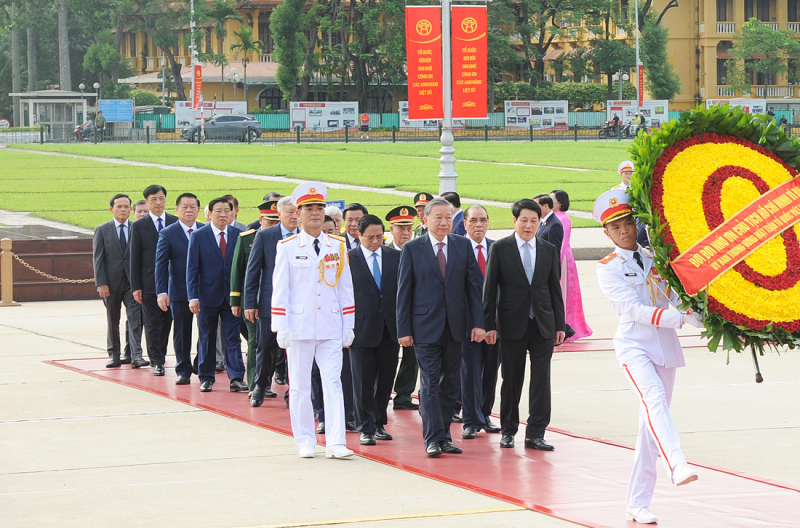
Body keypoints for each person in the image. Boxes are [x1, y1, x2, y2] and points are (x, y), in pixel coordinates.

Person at [593, 189, 701, 524]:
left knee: (649, 427)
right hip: (634, 346)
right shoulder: (607, 268)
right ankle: (677, 463)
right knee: (653, 400)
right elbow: (633, 310)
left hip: (665, 348)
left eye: (627, 223)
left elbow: (676, 297)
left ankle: (637, 502)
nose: (624, 230)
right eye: (616, 227)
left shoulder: (656, 259)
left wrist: (709, 321)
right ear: (607, 233)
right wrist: (678, 319)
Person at [271, 182, 355, 459]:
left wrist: (348, 324)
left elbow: (345, 288)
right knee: (299, 386)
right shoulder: (287, 247)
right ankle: (305, 439)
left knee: (333, 383)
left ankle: (335, 441)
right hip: (299, 326)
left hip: (330, 325)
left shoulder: (338, 245)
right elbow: (281, 289)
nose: (315, 213)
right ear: (298, 213)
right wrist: (280, 325)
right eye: (309, 208)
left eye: (319, 208)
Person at [396, 197, 485, 457]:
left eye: (449, 217)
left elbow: (473, 288)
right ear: (425, 219)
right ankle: (432, 438)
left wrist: (478, 324)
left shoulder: (462, 246)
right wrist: (404, 330)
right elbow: (404, 292)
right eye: (438, 218)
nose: (444, 222)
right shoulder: (413, 248)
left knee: (450, 386)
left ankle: (445, 435)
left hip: (456, 327)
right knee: (430, 382)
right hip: (424, 328)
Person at [483, 199, 565, 451]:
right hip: (510, 323)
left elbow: (554, 289)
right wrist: (489, 325)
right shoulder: (500, 248)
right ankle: (508, 431)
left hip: (542, 323)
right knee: (511, 379)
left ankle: (536, 433)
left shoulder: (548, 249)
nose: (529, 225)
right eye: (524, 220)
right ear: (514, 221)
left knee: (541, 379)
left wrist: (560, 324)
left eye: (534, 220)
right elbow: (490, 289)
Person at [348, 214, 401, 445]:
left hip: (390, 328)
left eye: (380, 236)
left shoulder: (396, 257)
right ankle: (365, 427)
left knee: (386, 378)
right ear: (359, 236)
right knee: (362, 381)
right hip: (361, 328)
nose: (376, 241)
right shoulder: (348, 259)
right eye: (370, 237)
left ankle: (379, 422)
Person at [186, 197, 248, 393]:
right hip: (207, 296)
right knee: (207, 337)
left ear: (232, 213)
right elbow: (192, 269)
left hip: (232, 297)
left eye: (226, 211)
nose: (222, 215)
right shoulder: (198, 236)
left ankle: (237, 377)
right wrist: (193, 297)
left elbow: (244, 269)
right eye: (218, 211)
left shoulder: (240, 235)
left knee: (233, 337)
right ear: (210, 214)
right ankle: (206, 377)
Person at [244, 196, 299, 406]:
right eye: (290, 213)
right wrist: (250, 302)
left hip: (298, 304)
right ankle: (260, 384)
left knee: (294, 349)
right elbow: (253, 271)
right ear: (280, 214)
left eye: (297, 212)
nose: (294, 217)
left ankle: (291, 392)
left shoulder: (304, 236)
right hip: (270, 302)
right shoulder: (266, 236)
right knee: (265, 346)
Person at [458, 205, 501, 438]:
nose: (478, 225)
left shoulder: (498, 248)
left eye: (483, 220)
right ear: (464, 224)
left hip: (494, 326)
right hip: (467, 324)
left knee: (490, 372)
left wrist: (493, 324)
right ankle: (471, 420)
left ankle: (485, 415)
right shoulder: (457, 248)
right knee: (470, 372)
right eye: (473, 220)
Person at [92, 194, 146, 369]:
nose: (123, 210)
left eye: (126, 206)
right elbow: (98, 259)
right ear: (111, 209)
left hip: (133, 284)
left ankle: (135, 354)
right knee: (112, 319)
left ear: (131, 209)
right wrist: (101, 283)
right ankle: (114, 354)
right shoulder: (102, 230)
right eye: (119, 206)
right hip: (111, 284)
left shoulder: (137, 228)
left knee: (135, 318)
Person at [155, 193, 202, 384]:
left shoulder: (206, 230)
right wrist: (162, 292)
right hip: (179, 291)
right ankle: (183, 369)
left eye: (193, 207)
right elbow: (160, 264)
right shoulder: (168, 233)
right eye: (185, 207)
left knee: (206, 331)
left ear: (199, 210)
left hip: (203, 290)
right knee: (182, 332)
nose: (189, 210)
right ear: (177, 210)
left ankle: (202, 364)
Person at [130, 185, 177, 376]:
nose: (158, 202)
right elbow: (135, 257)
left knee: (166, 323)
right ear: (147, 202)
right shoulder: (139, 226)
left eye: (161, 198)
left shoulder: (175, 222)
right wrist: (136, 286)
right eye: (153, 199)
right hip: (149, 283)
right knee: (151, 323)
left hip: (173, 282)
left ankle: (162, 355)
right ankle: (156, 360)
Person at [230, 202, 277, 392]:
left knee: (273, 346)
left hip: (276, 302)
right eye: (269, 221)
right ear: (260, 220)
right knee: (256, 342)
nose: (273, 225)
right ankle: (254, 384)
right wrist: (236, 301)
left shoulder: (286, 241)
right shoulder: (247, 239)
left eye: (277, 221)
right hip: (253, 302)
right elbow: (238, 271)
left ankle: (266, 382)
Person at [385, 206, 420, 411]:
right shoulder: (385, 252)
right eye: (400, 228)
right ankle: (382, 392)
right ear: (392, 229)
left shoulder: (416, 251)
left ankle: (403, 394)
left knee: (411, 357)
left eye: (408, 227)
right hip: (388, 314)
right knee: (387, 358)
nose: (405, 232)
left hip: (412, 313)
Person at [550, 190, 592, 342]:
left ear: (560, 202)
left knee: (564, 294)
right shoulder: (553, 217)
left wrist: (557, 264)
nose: (549, 202)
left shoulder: (564, 218)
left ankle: (568, 327)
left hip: (563, 259)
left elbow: (563, 243)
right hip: (559, 257)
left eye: (552, 199)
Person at [533, 193, 564, 264]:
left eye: (536, 206)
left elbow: (554, 252)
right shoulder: (542, 222)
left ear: (546, 206)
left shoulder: (554, 225)